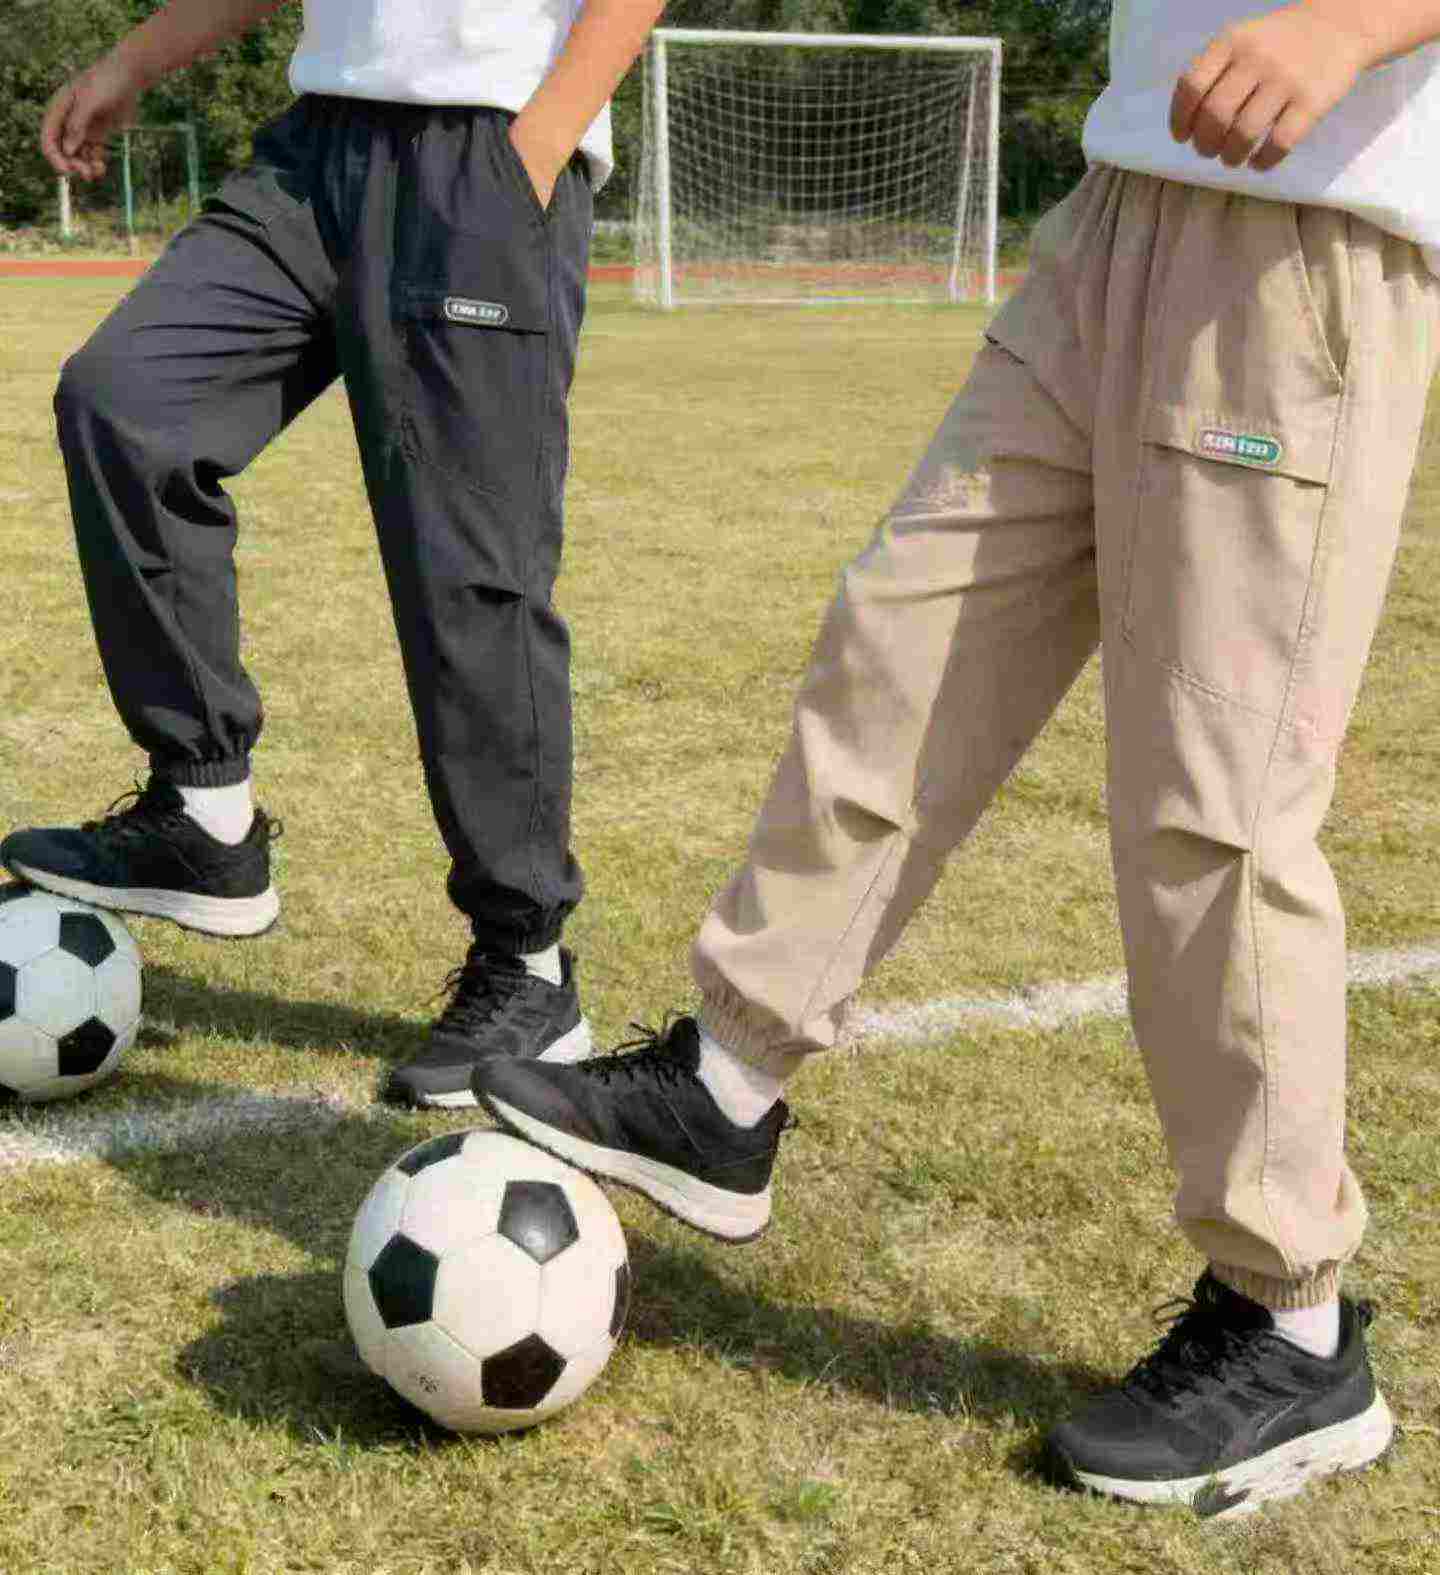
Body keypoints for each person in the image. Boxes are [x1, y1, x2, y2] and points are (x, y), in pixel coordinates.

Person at [472, 0, 1440, 1516]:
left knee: (1216, 808)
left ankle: (1290, 1327)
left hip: (1301, 241)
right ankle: (726, 1083)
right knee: (904, 637)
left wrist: (1354, 22)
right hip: (1117, 208)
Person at [4, 0, 665, 1108]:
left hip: (484, 149)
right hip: (316, 151)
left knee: (465, 573)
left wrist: (540, 141)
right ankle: (204, 811)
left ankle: (527, 964)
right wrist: (132, 61)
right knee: (126, 404)